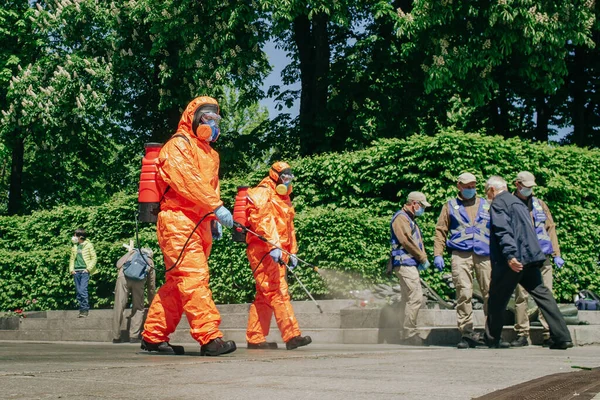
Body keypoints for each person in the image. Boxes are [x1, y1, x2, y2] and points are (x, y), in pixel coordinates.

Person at [141, 96, 236, 356]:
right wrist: (216, 207)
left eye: (216, 120)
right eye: (207, 119)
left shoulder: (211, 154)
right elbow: (188, 181)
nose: (212, 125)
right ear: (193, 119)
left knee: (176, 283)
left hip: (198, 224)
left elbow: (209, 188)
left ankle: (152, 336)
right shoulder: (177, 145)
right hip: (177, 221)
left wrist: (212, 219)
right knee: (194, 278)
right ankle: (209, 338)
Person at [483, 176, 572, 350]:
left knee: (496, 298)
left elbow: (503, 231)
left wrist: (510, 256)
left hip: (513, 260)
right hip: (530, 257)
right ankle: (562, 336)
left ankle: (492, 338)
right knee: (543, 296)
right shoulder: (519, 203)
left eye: (487, 192)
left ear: (492, 189)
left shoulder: (499, 203)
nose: (488, 196)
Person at [245, 161, 312, 350]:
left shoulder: (284, 198)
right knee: (278, 291)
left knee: (264, 296)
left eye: (290, 178)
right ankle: (292, 336)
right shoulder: (263, 192)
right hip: (264, 251)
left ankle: (255, 337)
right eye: (285, 177)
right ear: (275, 176)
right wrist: (273, 245)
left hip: (277, 252)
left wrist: (292, 252)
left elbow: (289, 228)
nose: (288, 181)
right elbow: (262, 221)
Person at [433, 172, 492, 349]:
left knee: (490, 292)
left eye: (473, 185)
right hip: (460, 253)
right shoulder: (450, 206)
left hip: (484, 253)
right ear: (459, 186)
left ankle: (492, 332)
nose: (470, 189)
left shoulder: (486, 204)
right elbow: (440, 230)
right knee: (464, 293)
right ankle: (466, 333)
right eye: (467, 186)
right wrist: (438, 254)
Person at [510, 171, 565, 347]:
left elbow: (550, 228)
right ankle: (522, 333)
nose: (530, 190)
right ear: (517, 185)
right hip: (523, 257)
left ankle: (549, 332)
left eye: (532, 187)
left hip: (543, 255)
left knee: (546, 295)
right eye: (527, 187)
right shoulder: (510, 204)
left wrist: (557, 254)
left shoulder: (540, 204)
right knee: (521, 296)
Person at [390, 191, 431, 346]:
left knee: (407, 299)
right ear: (414, 204)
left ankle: (404, 332)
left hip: (407, 263)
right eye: (422, 206)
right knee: (416, 297)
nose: (423, 210)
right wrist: (422, 258)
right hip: (405, 264)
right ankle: (409, 333)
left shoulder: (408, 218)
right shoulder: (401, 218)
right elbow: (407, 240)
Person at [112, 245, 156, 344]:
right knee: (138, 307)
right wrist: (151, 300)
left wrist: (129, 253)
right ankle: (134, 336)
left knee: (119, 306)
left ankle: (116, 337)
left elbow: (119, 264)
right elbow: (151, 285)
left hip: (123, 278)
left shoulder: (132, 253)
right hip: (139, 282)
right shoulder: (149, 260)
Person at [69, 228, 97, 318]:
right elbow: (72, 259)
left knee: (82, 291)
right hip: (76, 272)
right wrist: (71, 270)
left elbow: (94, 258)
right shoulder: (75, 246)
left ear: (80, 236)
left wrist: (88, 269)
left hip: (84, 271)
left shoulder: (88, 245)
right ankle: (81, 310)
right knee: (78, 291)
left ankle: (85, 309)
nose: (74, 237)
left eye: (75, 235)